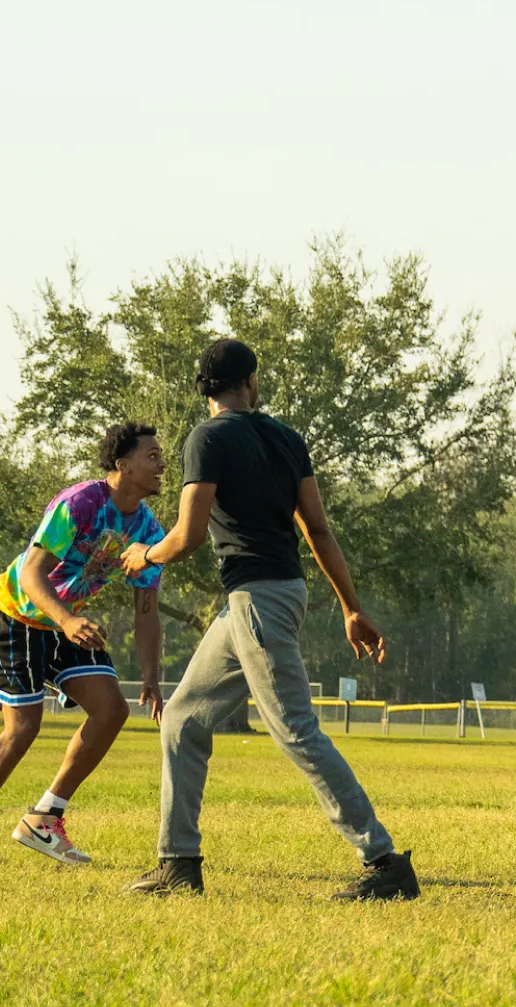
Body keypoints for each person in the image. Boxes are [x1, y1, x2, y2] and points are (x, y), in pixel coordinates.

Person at [120, 337, 416, 900]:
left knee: (295, 730)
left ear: (204, 391)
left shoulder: (206, 438)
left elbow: (183, 537)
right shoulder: (286, 438)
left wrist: (143, 555)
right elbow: (319, 530)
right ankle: (178, 862)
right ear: (250, 383)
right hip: (267, 597)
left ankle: (384, 863)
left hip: (258, 601)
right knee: (183, 718)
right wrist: (352, 608)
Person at [0, 423, 167, 867]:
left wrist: (152, 678)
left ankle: (44, 818)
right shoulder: (79, 504)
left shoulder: (150, 532)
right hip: (16, 613)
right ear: (123, 465)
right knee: (23, 728)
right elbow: (30, 574)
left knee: (112, 710)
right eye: (152, 456)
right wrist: (67, 618)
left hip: (64, 622)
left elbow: (147, 611)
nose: (162, 464)